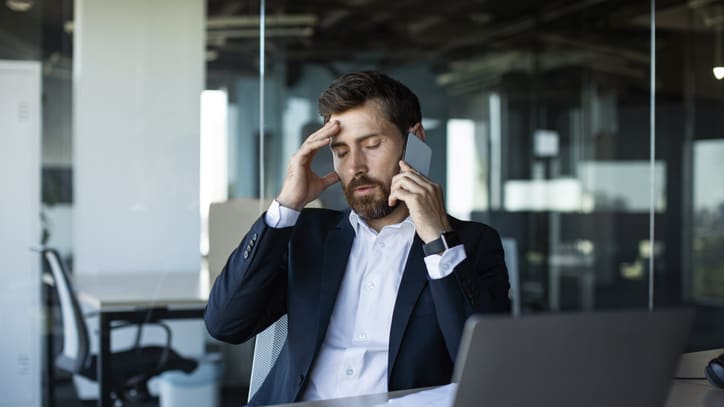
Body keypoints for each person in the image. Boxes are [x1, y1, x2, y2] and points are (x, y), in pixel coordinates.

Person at [204, 71, 511, 406]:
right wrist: (286, 206)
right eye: (341, 151)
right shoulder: (307, 234)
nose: (356, 166)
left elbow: (489, 367)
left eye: (372, 144)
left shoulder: (473, 244)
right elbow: (225, 324)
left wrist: (437, 239)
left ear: (416, 141)